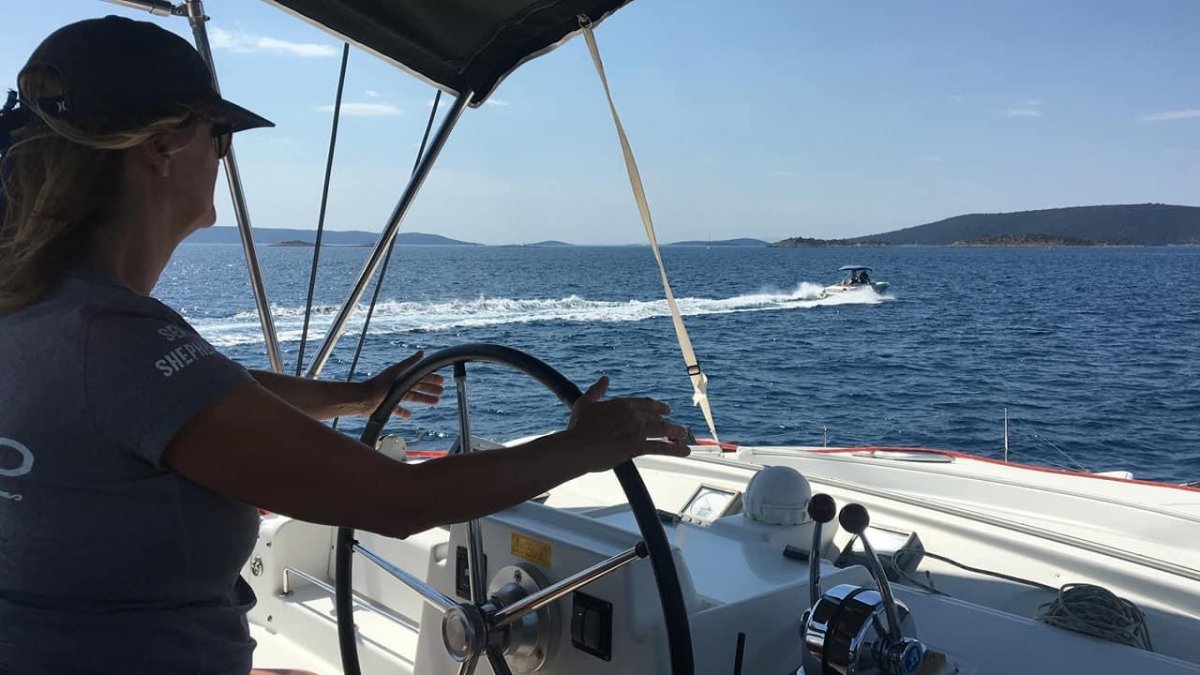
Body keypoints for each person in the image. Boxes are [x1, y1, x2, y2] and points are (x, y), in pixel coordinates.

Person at [0, 16, 689, 675]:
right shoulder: (119, 344)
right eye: (220, 137)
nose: (221, 159)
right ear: (161, 147)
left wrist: (358, 397)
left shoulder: (42, 318)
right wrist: (587, 444)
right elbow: (401, 501)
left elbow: (202, 393)